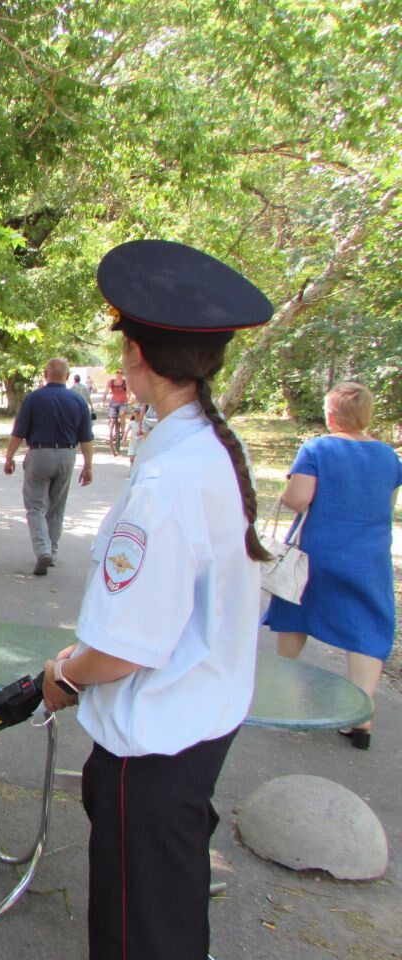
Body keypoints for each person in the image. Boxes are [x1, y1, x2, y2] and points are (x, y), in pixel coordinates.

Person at [40, 239, 274, 960]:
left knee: (137, 937)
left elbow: (122, 649)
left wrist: (64, 676)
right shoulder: (205, 449)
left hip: (150, 756)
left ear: (136, 355)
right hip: (195, 728)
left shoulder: (168, 483)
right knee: (168, 923)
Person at [264, 381, 402, 750]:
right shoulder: (389, 456)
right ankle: (363, 715)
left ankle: (286, 694)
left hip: (319, 552)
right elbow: (386, 505)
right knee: (368, 625)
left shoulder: (317, 448)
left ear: (331, 414)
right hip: (369, 555)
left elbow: (298, 499)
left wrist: (287, 487)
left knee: (294, 612)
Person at [3, 358, 94, 576]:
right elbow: (86, 437)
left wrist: (9, 457)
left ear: (45, 374)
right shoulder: (78, 400)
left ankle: (42, 550)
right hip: (66, 455)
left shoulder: (34, 399)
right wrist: (88, 465)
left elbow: (18, 432)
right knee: (57, 506)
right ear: (68, 375)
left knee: (35, 506)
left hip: (39, 454)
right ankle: (52, 551)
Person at [103, 367, 130, 444]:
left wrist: (129, 399)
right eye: (117, 372)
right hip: (113, 402)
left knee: (122, 415)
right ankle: (111, 433)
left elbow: (128, 392)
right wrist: (103, 400)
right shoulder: (111, 382)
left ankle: (123, 433)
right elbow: (106, 392)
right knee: (111, 417)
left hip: (123, 402)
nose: (119, 374)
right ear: (115, 373)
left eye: (121, 373)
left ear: (123, 374)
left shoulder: (125, 382)